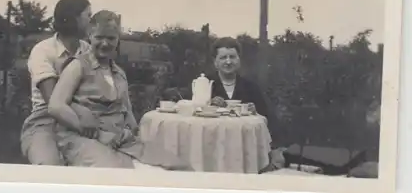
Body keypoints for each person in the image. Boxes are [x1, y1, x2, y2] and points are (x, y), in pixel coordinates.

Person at [48, 10, 193, 171]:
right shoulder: (78, 66)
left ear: (118, 40)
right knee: (117, 174)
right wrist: (94, 132)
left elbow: (127, 113)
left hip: (118, 139)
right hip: (83, 137)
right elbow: (56, 106)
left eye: (110, 38)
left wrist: (128, 131)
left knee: (179, 167)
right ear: (90, 36)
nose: (105, 43)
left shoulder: (119, 73)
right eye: (99, 37)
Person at [20, 0, 93, 165]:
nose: (92, 21)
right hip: (44, 121)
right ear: (74, 18)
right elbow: (52, 99)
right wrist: (84, 115)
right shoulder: (43, 50)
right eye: (88, 15)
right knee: (49, 166)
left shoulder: (88, 50)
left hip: (82, 119)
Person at [205, 37, 287, 171]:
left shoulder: (251, 87)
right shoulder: (206, 84)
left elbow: (269, 120)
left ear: (239, 60)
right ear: (215, 62)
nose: (228, 61)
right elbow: (194, 110)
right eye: (223, 57)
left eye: (232, 57)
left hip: (245, 149)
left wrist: (256, 112)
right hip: (214, 147)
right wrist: (208, 105)